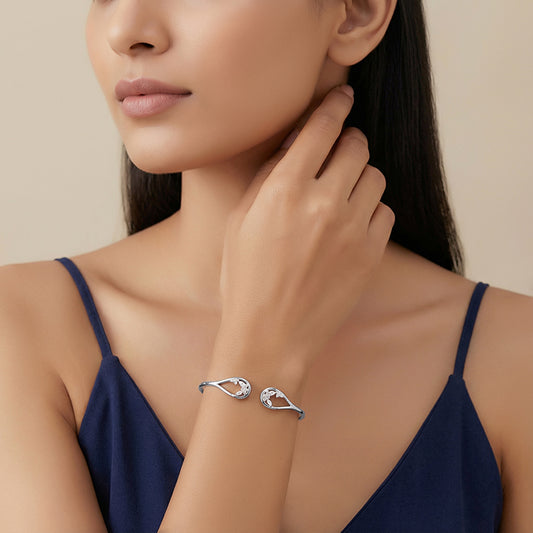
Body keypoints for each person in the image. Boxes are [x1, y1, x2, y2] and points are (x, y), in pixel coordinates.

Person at [0, 0, 531, 531]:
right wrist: (263, 355)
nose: (125, 30)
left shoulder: (516, 359)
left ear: (358, 13)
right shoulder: (24, 329)